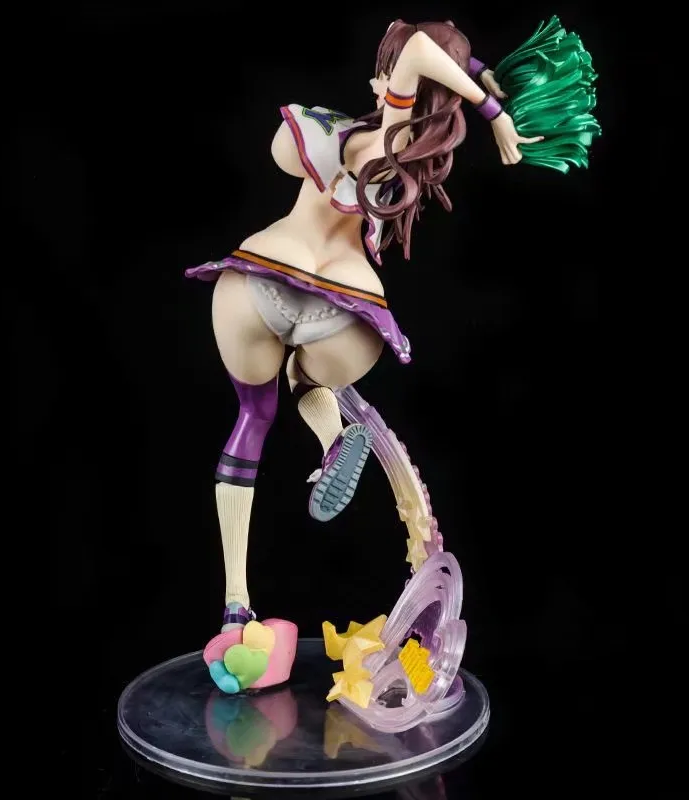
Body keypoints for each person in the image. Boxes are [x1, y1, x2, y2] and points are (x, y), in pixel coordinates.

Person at [185, 19, 543, 635]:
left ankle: (235, 604)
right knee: (309, 380)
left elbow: (420, 52)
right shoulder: (408, 159)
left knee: (253, 415)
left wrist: (493, 111)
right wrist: (479, 76)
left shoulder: (376, 130)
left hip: (263, 274)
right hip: (344, 312)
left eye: (386, 69)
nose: (380, 79)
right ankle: (332, 442)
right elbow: (431, 59)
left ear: (405, 83)